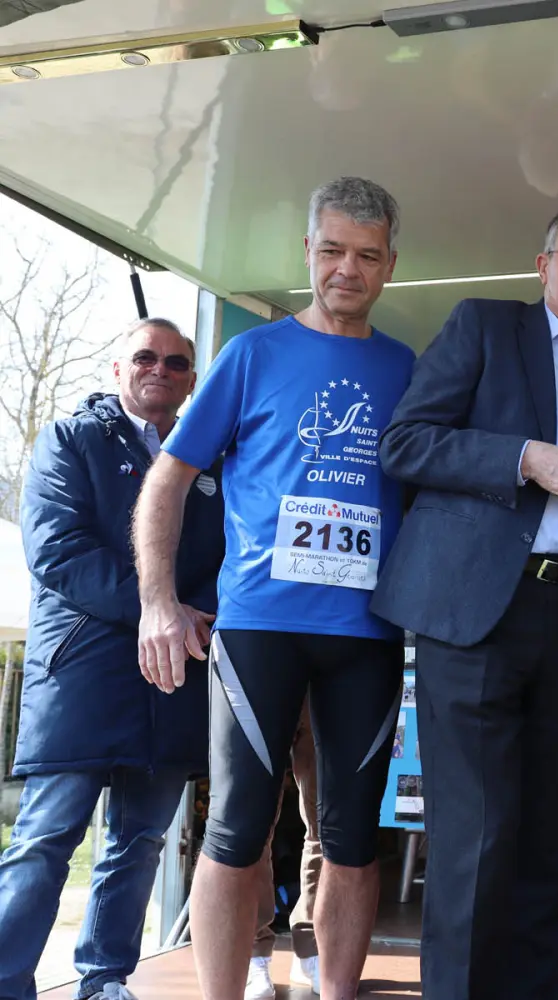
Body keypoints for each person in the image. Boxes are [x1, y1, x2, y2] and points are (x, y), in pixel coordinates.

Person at [371, 204, 558, 1000]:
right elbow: (404, 443)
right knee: (474, 836)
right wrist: (524, 458)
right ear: (543, 266)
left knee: (546, 840)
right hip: (476, 615)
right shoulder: (485, 328)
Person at [134, 177, 414, 1000]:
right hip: (261, 629)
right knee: (235, 830)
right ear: (307, 252)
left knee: (352, 838)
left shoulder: (408, 368)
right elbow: (168, 478)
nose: (347, 269)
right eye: (332, 250)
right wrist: (157, 600)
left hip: (366, 635)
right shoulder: (253, 355)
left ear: (391, 264)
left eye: (366, 255)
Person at [1, 318, 221, 1000]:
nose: (161, 369)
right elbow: (58, 552)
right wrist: (161, 610)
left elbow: (230, 559)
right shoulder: (69, 440)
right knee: (45, 840)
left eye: (177, 362)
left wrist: (194, 616)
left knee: (139, 843)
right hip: (80, 678)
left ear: (191, 380)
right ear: (118, 370)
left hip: (173, 677)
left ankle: (104, 980)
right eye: (145, 357)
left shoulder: (209, 460)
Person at [245, 701, 320, 999]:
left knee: (325, 824)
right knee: (251, 828)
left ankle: (313, 946)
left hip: (326, 680)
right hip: (264, 677)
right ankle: (253, 954)